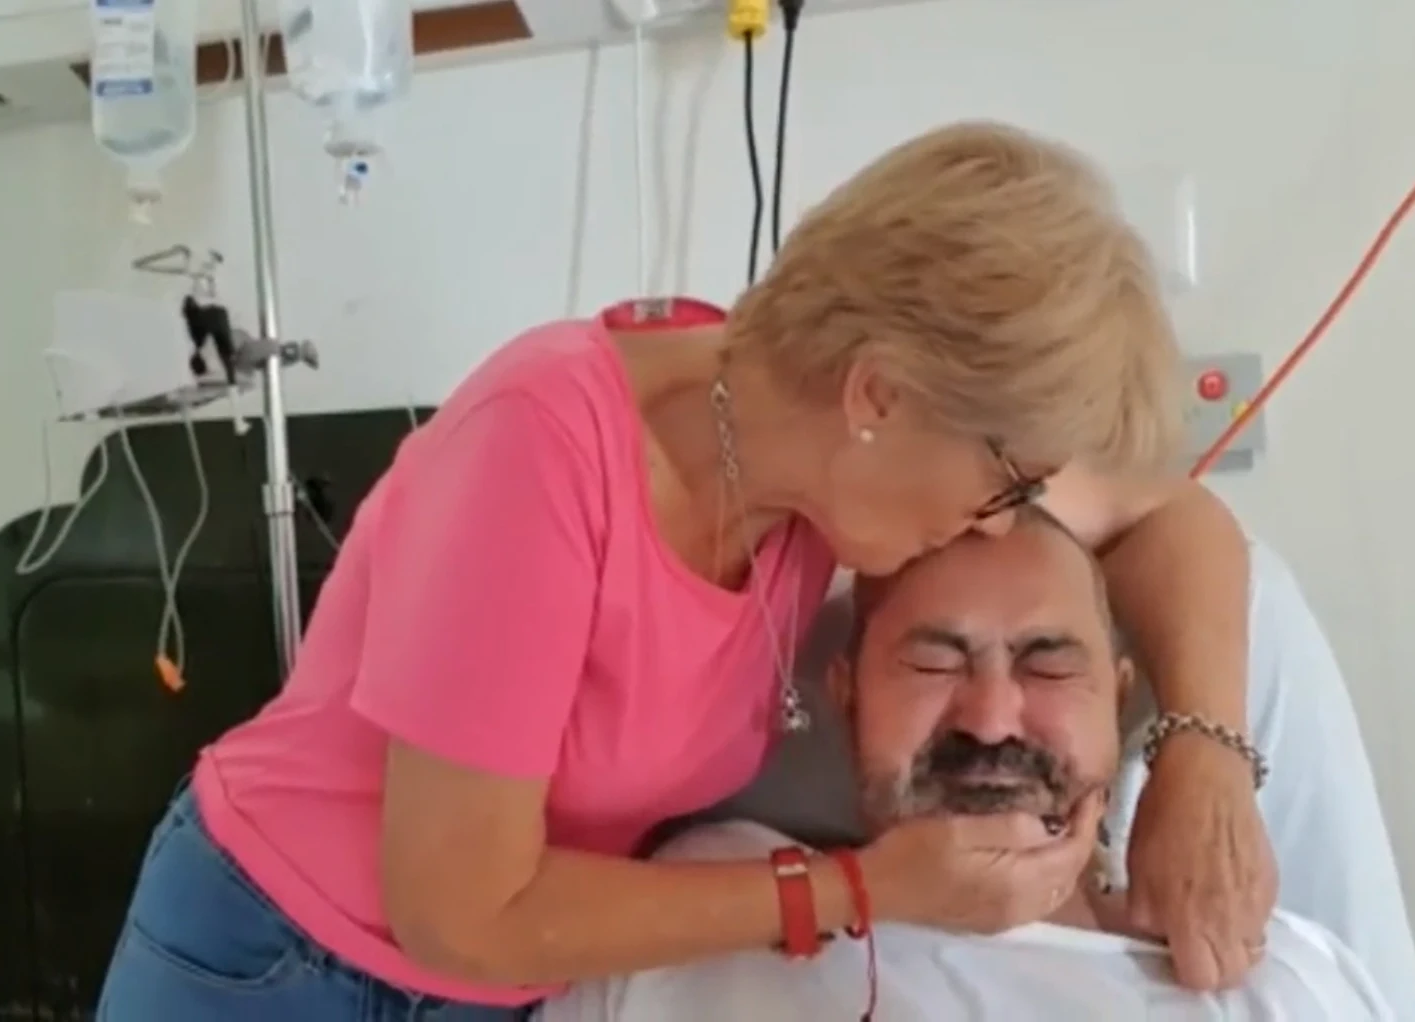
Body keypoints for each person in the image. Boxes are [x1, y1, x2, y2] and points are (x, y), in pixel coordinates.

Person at [96, 121, 1270, 1021]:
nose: (995, 520)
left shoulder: (821, 470)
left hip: (516, 977)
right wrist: (869, 891)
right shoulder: (543, 449)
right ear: (878, 394)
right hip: (275, 959)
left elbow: (1180, 517)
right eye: (1004, 480)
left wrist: (1201, 761)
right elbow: (457, 908)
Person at [538, 508, 1394, 1021]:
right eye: (933, 663)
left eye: (1048, 663)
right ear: (845, 695)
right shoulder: (694, 915)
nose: (989, 719)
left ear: (1118, 696)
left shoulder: (1272, 990)